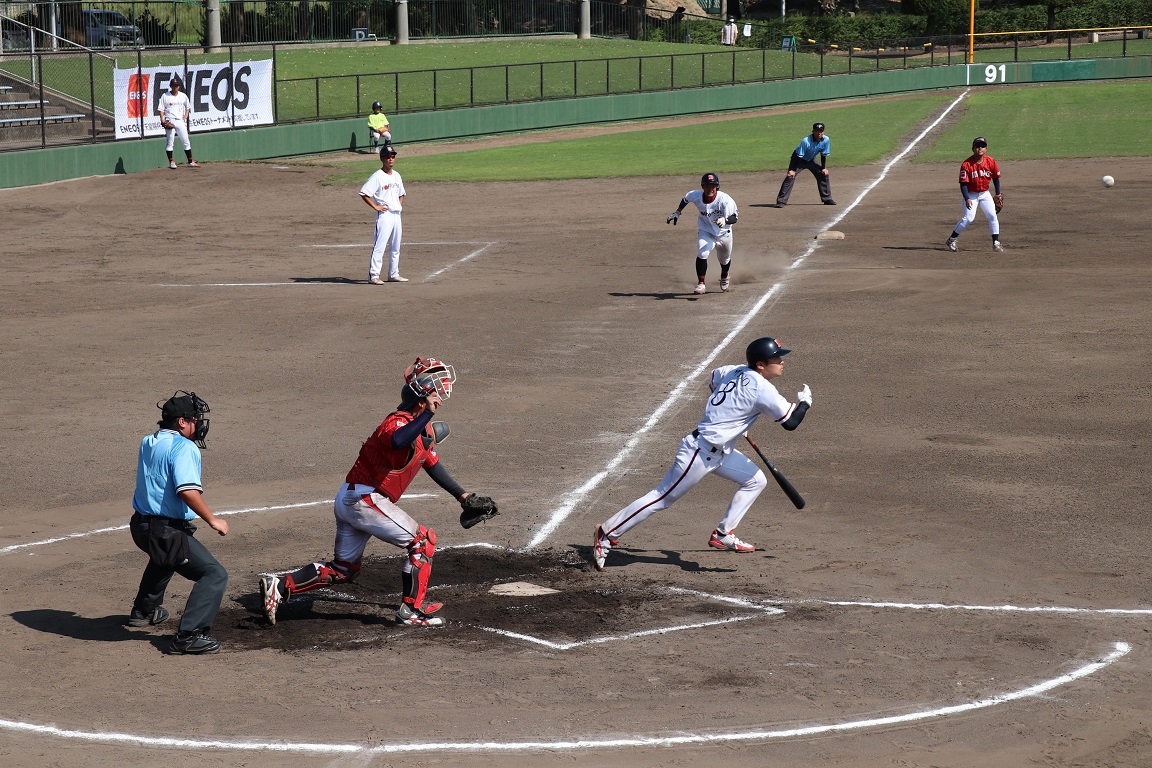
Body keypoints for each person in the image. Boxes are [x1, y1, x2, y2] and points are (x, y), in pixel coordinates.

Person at [260, 357, 498, 628]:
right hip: (364, 499)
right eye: (433, 395)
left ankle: (279, 585)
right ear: (422, 399)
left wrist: (462, 496)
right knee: (423, 542)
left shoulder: (419, 431)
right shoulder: (396, 423)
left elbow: (432, 464)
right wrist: (428, 415)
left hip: (353, 500)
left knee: (344, 569)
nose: (439, 399)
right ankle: (411, 611)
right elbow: (398, 440)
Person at [592, 337, 812, 571]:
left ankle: (723, 533)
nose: (781, 361)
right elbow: (790, 423)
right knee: (662, 498)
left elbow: (714, 379)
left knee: (755, 480)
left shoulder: (735, 370)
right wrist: (805, 403)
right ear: (760, 364)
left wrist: (732, 414)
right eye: (777, 358)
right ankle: (606, 532)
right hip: (698, 453)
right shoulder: (763, 389)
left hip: (721, 451)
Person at [127, 391, 229, 654]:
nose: (200, 425)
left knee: (169, 556)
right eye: (195, 419)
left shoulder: (149, 441)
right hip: (164, 531)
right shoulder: (184, 447)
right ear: (182, 422)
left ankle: (143, 611)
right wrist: (212, 519)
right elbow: (186, 490)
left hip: (140, 527)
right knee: (213, 574)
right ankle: (188, 636)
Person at [666, 172, 739, 295]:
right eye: (707, 186)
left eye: (713, 186)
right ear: (703, 187)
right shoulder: (696, 195)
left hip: (724, 233)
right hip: (706, 231)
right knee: (702, 253)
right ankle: (701, 283)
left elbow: (735, 218)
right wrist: (678, 212)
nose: (710, 189)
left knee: (724, 259)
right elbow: (686, 199)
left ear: (717, 187)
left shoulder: (725, 200)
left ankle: (725, 276)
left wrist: (725, 220)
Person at [359, 143, 407, 285]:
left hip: (396, 216)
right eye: (387, 157)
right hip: (385, 216)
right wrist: (376, 206)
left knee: (395, 247)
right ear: (382, 159)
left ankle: (393, 274)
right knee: (380, 246)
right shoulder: (377, 176)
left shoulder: (397, 176)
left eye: (392, 156)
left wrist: (398, 205)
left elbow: (402, 193)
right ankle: (374, 275)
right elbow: (364, 193)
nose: (391, 159)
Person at [946, 136, 1004, 253]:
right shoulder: (966, 164)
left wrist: (997, 193)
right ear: (973, 148)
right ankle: (951, 239)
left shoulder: (991, 161)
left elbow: (996, 178)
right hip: (971, 194)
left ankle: (996, 243)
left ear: (986, 149)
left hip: (984, 193)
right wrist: (967, 198)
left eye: (982, 146)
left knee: (992, 216)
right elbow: (963, 184)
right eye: (977, 146)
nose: (980, 148)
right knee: (968, 218)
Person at [773, 122, 834, 207]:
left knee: (823, 174)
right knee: (790, 176)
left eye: (821, 131)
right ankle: (781, 201)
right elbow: (798, 156)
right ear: (813, 131)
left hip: (811, 159)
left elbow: (823, 154)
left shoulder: (826, 139)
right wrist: (792, 170)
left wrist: (823, 168)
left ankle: (827, 199)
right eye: (817, 131)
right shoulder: (806, 141)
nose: (819, 133)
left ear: (823, 132)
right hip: (798, 160)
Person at [158, 76, 199, 170]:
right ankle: (171, 161)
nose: (175, 87)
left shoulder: (183, 96)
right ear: (171, 86)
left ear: (179, 86)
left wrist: (186, 115)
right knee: (170, 141)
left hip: (180, 120)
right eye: (173, 85)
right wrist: (162, 120)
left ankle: (190, 161)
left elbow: (188, 106)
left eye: (176, 85)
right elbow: (161, 109)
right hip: (170, 120)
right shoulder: (165, 96)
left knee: (186, 140)